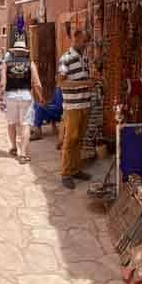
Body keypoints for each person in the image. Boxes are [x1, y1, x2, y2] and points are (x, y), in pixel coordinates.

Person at [0, 37, 42, 164]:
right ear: (25, 52)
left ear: (14, 52)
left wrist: (1, 98)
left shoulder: (6, 64)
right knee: (25, 124)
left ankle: (13, 147)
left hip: (10, 96)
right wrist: (41, 97)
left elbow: (2, 84)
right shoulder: (31, 64)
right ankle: (23, 154)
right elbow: (37, 83)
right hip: (25, 96)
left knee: (11, 122)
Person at [58, 29, 93, 189]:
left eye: (87, 42)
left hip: (84, 105)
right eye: (84, 41)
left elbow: (82, 78)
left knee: (79, 139)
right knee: (70, 140)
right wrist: (85, 84)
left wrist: (92, 81)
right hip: (72, 107)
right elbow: (61, 83)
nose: (86, 45)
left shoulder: (84, 58)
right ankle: (66, 173)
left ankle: (76, 169)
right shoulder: (66, 58)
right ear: (76, 38)